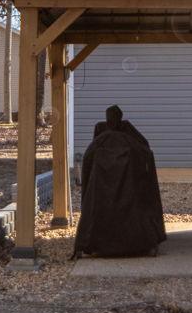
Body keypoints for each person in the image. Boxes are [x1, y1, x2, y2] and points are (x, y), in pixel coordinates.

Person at [71, 105, 167, 259]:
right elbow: (146, 153)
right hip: (129, 191)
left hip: (101, 192)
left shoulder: (99, 141)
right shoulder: (131, 139)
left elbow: (87, 163)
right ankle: (142, 243)